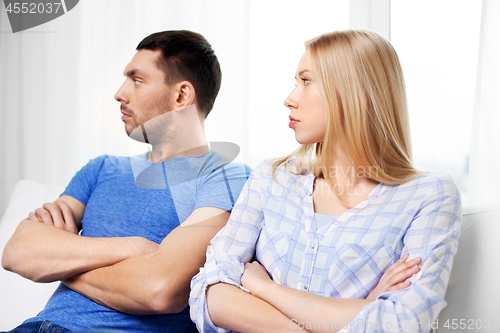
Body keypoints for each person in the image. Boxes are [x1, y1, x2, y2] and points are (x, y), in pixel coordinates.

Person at [189, 30, 462, 333]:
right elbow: (209, 293)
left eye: (305, 81)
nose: (289, 99)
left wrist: (263, 287)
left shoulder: (429, 195)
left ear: (354, 91)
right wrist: (359, 310)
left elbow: (401, 323)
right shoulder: (271, 177)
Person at [2, 30, 251, 333]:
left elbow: (159, 290)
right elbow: (17, 252)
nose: (120, 93)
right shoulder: (101, 169)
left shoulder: (226, 177)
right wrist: (134, 248)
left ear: (181, 95)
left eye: (137, 79)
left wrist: (60, 263)